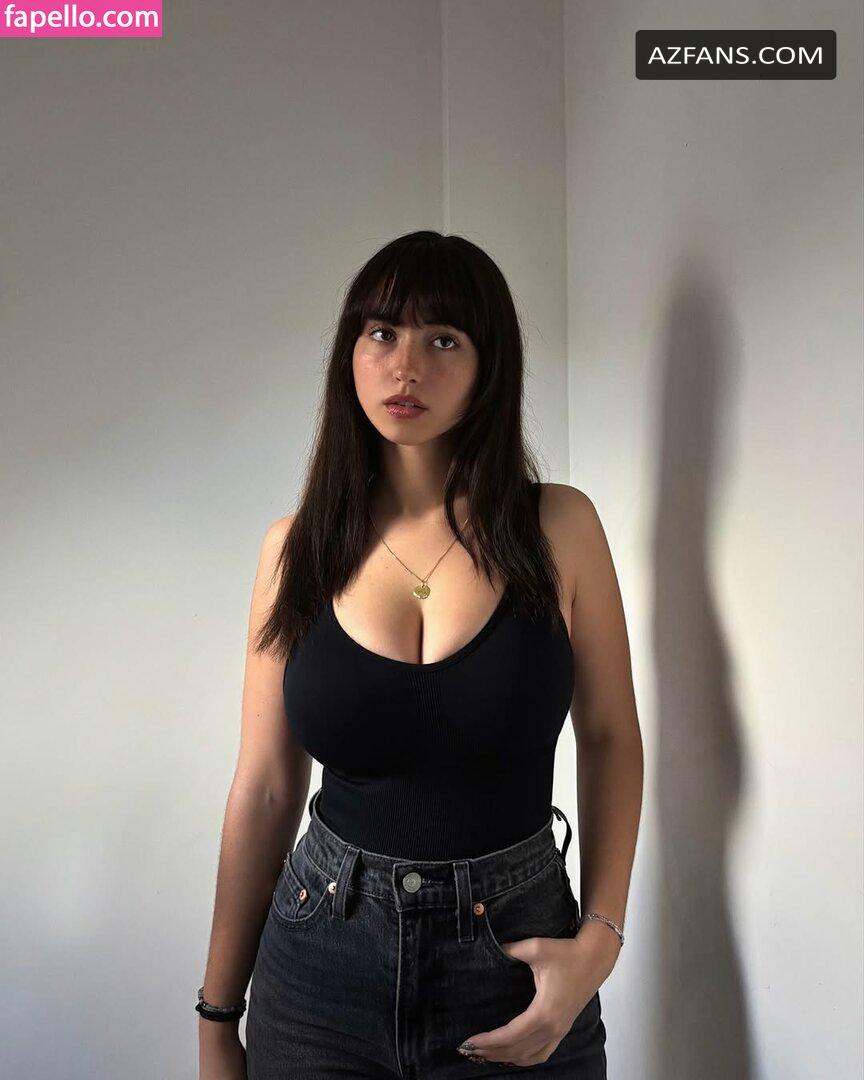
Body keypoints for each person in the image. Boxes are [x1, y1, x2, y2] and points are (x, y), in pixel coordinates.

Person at [197, 230, 643, 1079]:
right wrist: (218, 1017)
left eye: (443, 340)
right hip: (319, 963)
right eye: (382, 333)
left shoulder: (560, 527)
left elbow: (611, 735)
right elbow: (265, 787)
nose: (405, 367)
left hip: (519, 960)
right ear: (350, 352)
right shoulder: (295, 551)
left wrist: (601, 940)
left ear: (488, 366)